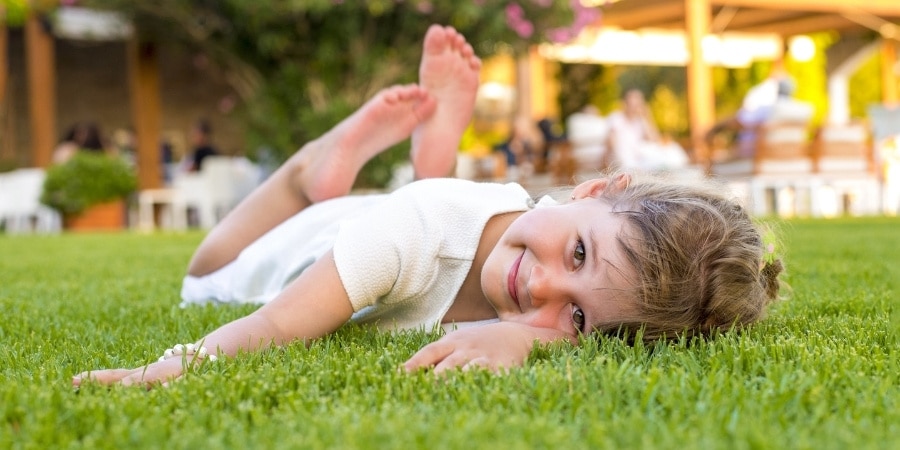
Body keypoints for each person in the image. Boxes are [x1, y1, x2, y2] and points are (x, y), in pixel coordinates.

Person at [73, 25, 782, 388]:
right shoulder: (415, 230)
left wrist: (529, 338)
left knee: (427, 234)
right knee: (203, 271)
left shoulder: (540, 273)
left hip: (403, 227)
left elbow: (565, 308)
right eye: (577, 253)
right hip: (299, 248)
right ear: (596, 189)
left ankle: (425, 166)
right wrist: (169, 368)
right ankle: (313, 167)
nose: (540, 287)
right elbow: (277, 323)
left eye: (577, 318)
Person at [606, 89, 689, 173]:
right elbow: (611, 144)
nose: (635, 106)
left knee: (671, 148)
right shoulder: (616, 118)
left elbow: (654, 139)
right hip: (625, 158)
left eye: (638, 102)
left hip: (638, 156)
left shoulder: (639, 121)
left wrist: (647, 117)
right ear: (625, 102)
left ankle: (676, 166)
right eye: (633, 102)